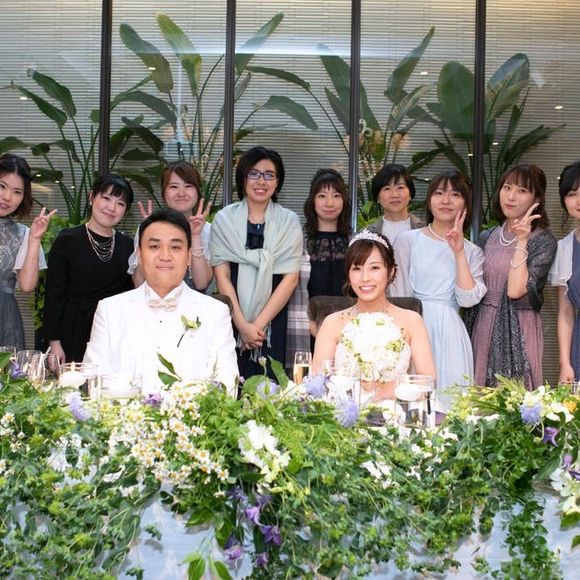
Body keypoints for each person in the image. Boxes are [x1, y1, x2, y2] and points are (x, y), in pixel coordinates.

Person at [84, 208, 238, 395]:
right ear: (139, 255)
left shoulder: (215, 312)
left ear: (188, 256)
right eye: (154, 246)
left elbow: (226, 385)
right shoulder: (110, 309)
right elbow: (93, 381)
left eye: (175, 247)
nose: (165, 256)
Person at [391, 170, 486, 409]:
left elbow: (467, 299)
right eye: (439, 193)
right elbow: (399, 295)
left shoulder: (472, 251)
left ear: (465, 203)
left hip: (451, 332)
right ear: (429, 199)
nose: (446, 201)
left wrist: (458, 251)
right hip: (413, 325)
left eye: (455, 194)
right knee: (411, 403)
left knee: (451, 403)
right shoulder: (408, 240)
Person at [210, 146, 303, 379]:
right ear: (243, 178)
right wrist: (242, 325)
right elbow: (222, 276)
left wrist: (257, 327)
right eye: (254, 173)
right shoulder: (224, 219)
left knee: (269, 385)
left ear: (277, 182)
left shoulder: (289, 221)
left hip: (273, 320)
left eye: (269, 175)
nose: (261, 181)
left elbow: (290, 279)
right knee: (229, 383)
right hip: (231, 316)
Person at [313, 231, 435, 401]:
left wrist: (389, 390)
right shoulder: (332, 323)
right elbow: (318, 383)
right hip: (344, 412)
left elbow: (427, 382)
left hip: (396, 410)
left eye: (374, 268)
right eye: (357, 268)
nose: (365, 278)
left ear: (391, 272)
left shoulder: (412, 320)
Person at [470, 164, 556, 389]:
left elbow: (516, 290)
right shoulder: (487, 237)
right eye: (507, 187)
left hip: (519, 328)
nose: (511, 196)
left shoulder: (542, 241)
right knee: (480, 398)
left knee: (515, 399)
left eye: (522, 190)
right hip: (483, 324)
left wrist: (522, 240)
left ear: (536, 199)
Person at [44, 174, 135, 363]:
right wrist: (54, 343)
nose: (112, 207)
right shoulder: (67, 240)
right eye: (106, 198)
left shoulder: (128, 246)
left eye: (120, 203)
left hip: (113, 332)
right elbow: (54, 294)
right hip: (72, 330)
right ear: (92, 197)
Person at [286, 168, 352, 365]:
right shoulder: (297, 241)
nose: (329, 203)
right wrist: (315, 328)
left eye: (336, 195)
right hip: (306, 331)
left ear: (344, 201)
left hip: (349, 333)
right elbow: (289, 291)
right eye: (322, 196)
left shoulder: (356, 243)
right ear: (312, 201)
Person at [0, 153, 57, 350]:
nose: (7, 197)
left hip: (5, 320)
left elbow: (26, 285)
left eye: (17, 192)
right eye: (2, 186)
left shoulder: (22, 233)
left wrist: (34, 239)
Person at [129, 160, 213, 291]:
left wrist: (195, 236)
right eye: (173, 187)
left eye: (188, 186)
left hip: (193, 303)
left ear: (198, 192)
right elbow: (139, 285)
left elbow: (201, 284)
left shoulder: (207, 230)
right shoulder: (148, 227)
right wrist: (147, 235)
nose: (181, 193)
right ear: (163, 193)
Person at [549, 162, 580, 383]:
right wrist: (565, 363)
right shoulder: (565, 248)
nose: (578, 200)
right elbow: (566, 312)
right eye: (572, 194)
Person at [366, 163, 423, 244]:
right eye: (387, 188)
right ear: (377, 197)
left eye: (400, 187)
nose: (394, 195)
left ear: (410, 194)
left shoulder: (425, 230)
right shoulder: (367, 234)